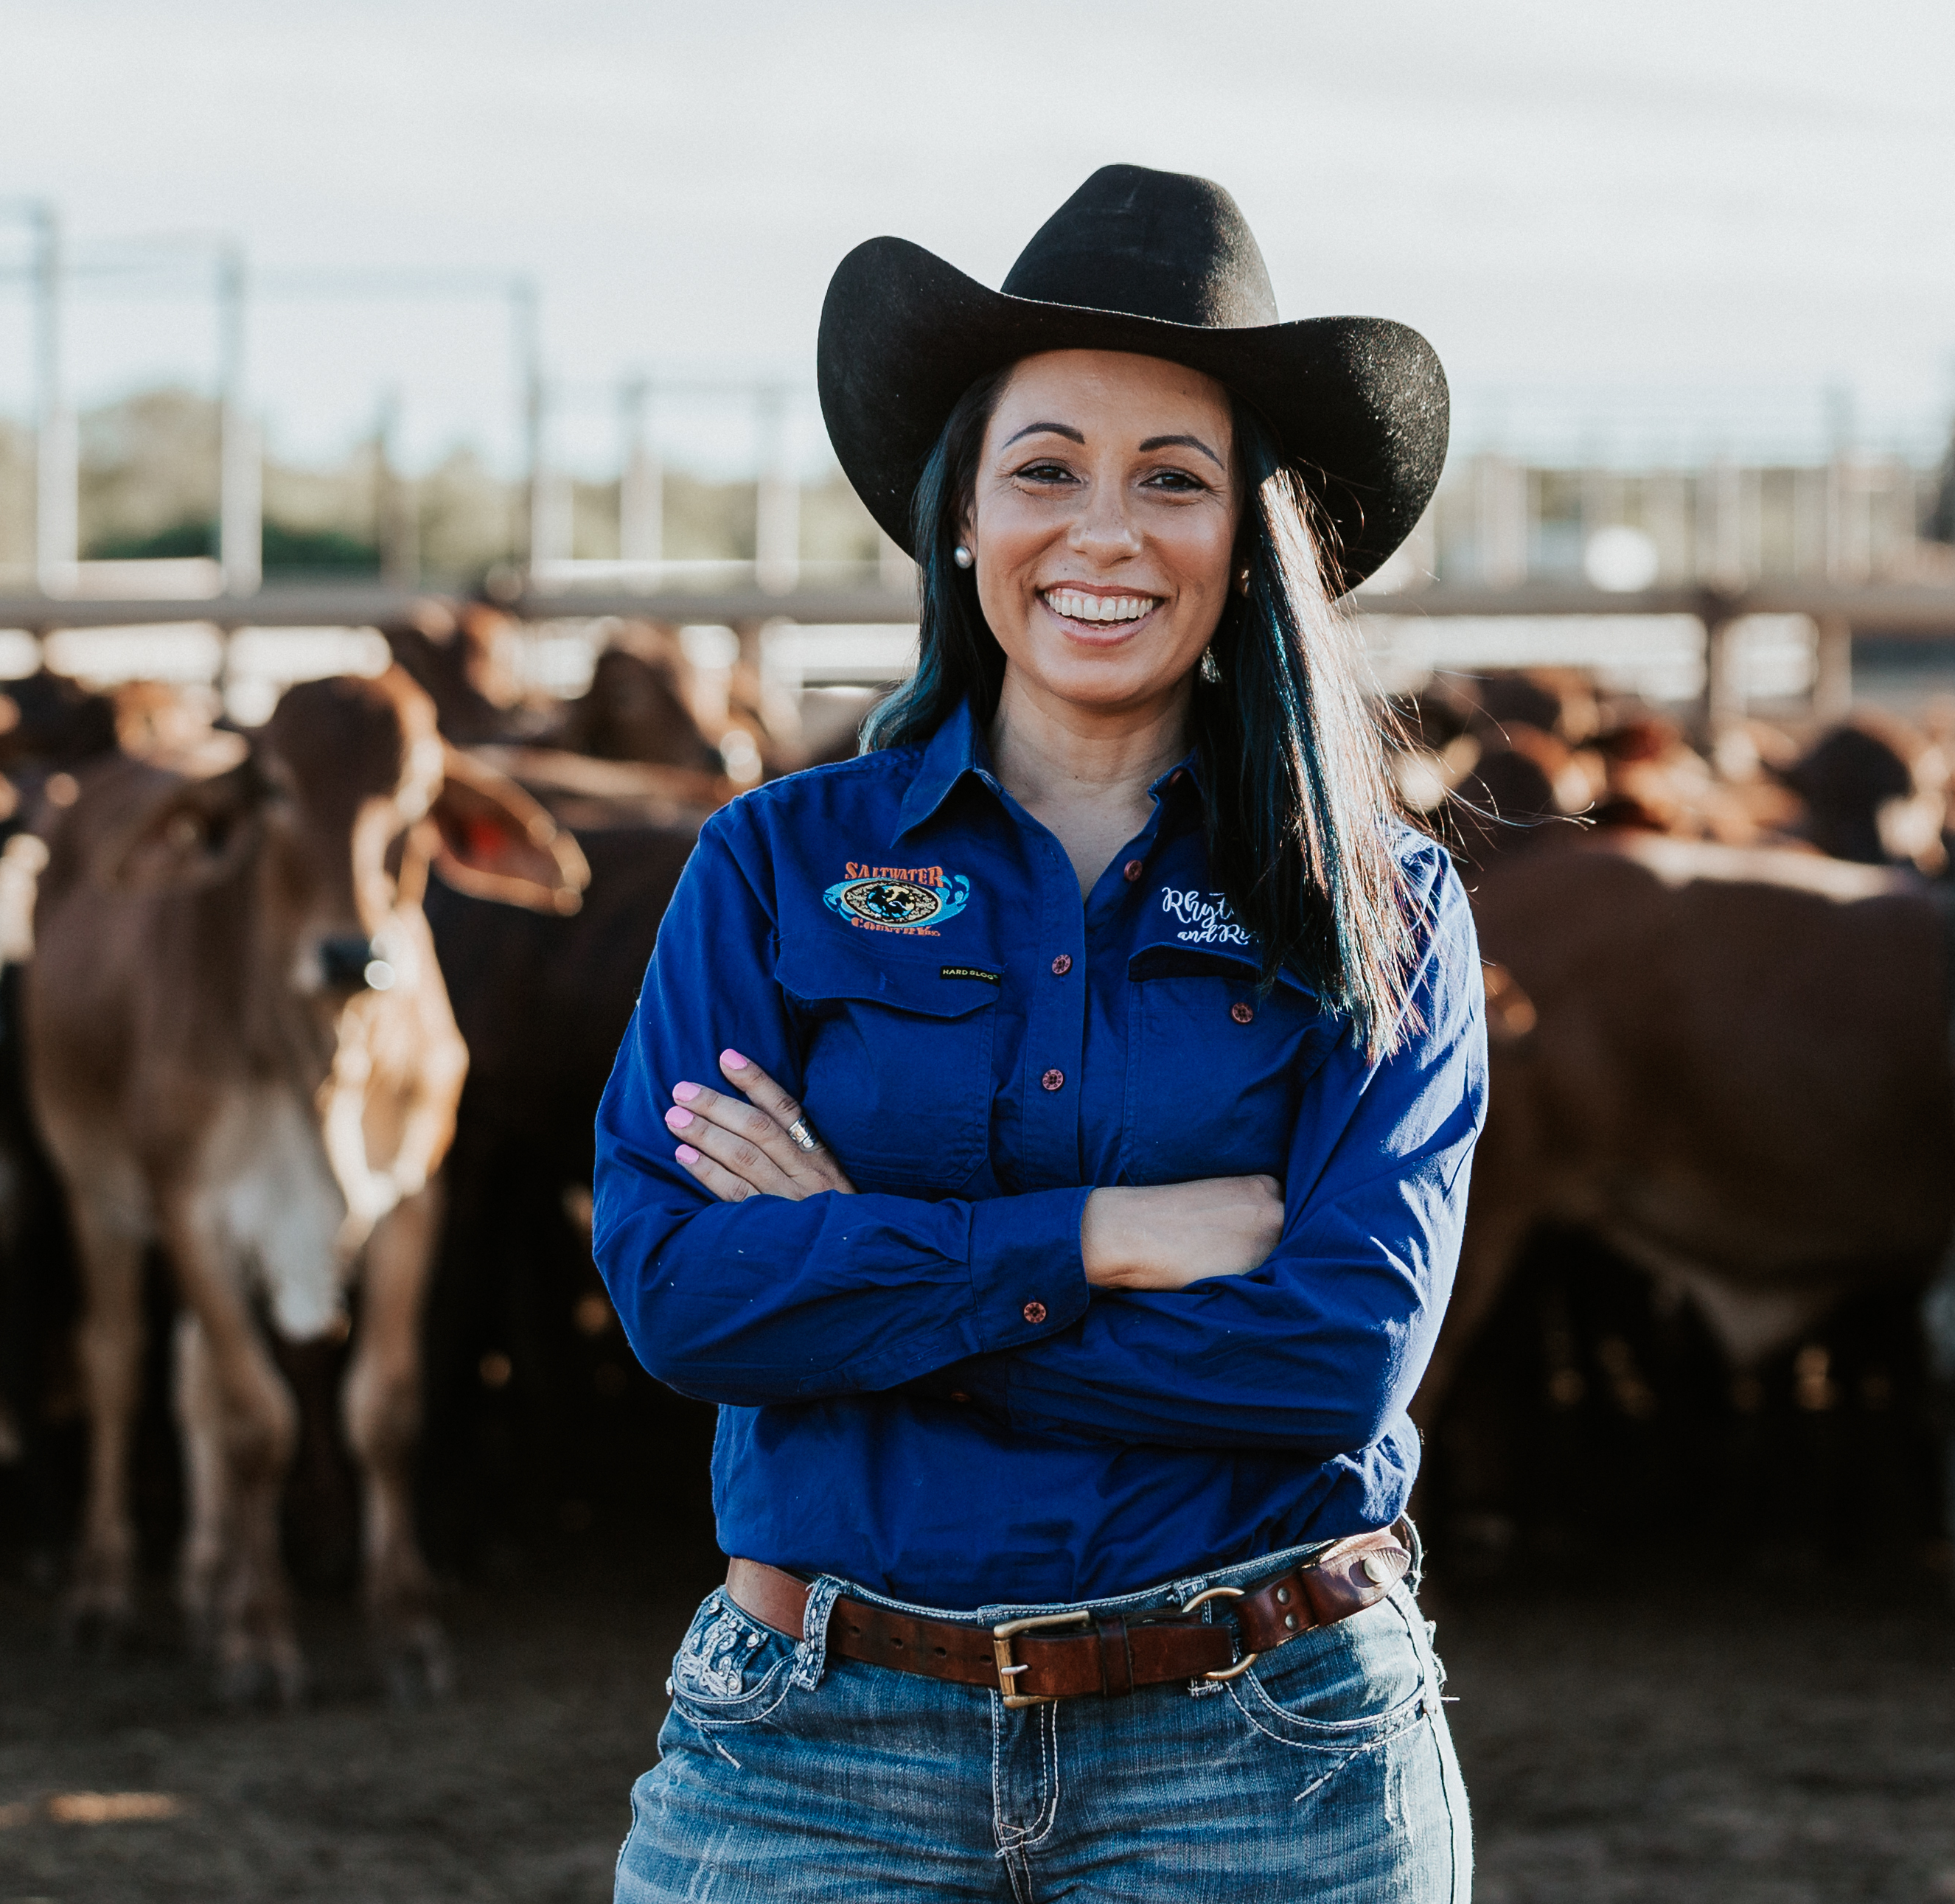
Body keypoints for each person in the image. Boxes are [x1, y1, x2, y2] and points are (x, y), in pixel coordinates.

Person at [593, 164, 1482, 1901]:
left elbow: (1329, 1361)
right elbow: (681, 1294)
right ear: (956, 518)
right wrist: (1099, 1239)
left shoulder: (1383, 908)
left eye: (1172, 480)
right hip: (810, 1753)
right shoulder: (773, 868)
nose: (1104, 532)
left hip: (1264, 1752)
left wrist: (858, 1278)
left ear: (1248, 541)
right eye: (1044, 470)